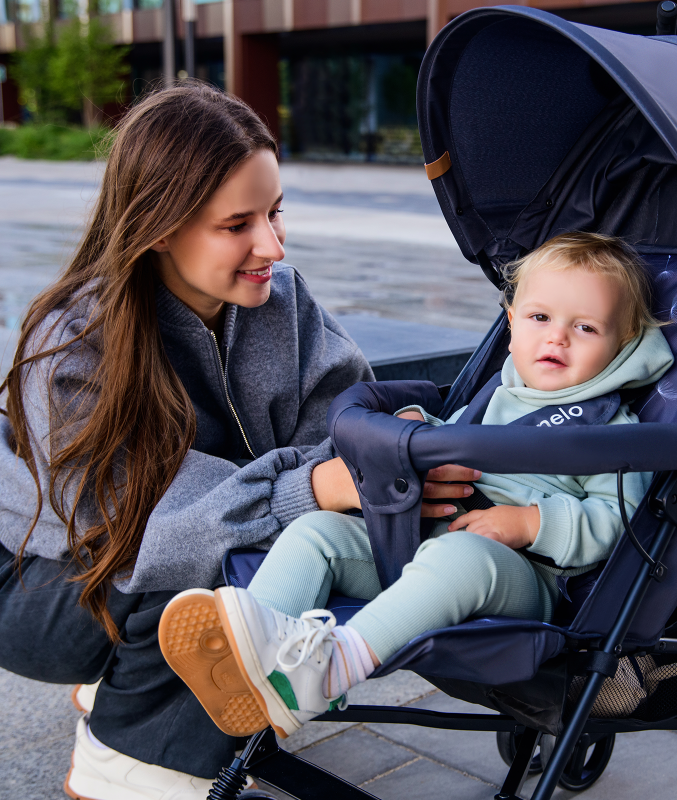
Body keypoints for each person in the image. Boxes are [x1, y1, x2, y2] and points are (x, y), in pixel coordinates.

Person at [0, 82, 473, 800]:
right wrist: (312, 484)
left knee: (264, 553)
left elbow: (344, 427)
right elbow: (147, 536)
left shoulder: (282, 304)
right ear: (159, 226)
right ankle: (125, 764)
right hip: (44, 577)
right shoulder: (70, 349)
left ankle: (141, 690)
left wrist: (387, 444)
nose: (272, 246)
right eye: (238, 224)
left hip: (135, 561)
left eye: (275, 212)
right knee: (207, 588)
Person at [159, 231, 675, 742]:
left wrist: (530, 523)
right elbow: (451, 433)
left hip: (519, 580)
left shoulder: (614, 430)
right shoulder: (498, 395)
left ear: (623, 344)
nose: (556, 337)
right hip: (418, 546)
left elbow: (620, 520)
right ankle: (260, 651)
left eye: (585, 327)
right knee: (317, 530)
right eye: (540, 318)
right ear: (512, 321)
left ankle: (335, 665)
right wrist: (417, 426)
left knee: (463, 557)